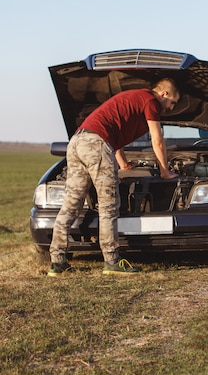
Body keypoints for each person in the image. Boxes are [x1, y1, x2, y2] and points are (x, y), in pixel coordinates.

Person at [47, 78, 180, 277]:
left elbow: (114, 139)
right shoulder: (150, 100)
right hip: (96, 144)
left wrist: (124, 165)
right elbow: (157, 139)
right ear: (164, 94)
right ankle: (112, 261)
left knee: (71, 204)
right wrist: (165, 171)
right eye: (173, 102)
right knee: (108, 204)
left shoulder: (133, 100)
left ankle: (57, 262)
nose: (171, 108)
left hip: (77, 142)